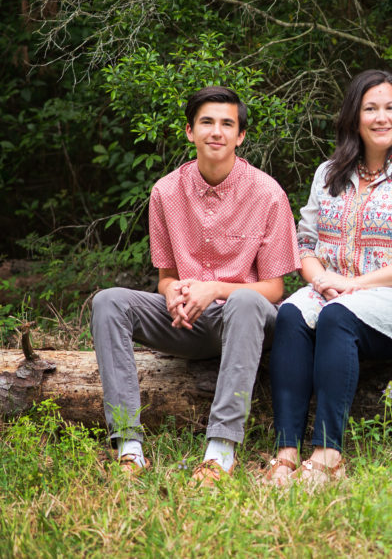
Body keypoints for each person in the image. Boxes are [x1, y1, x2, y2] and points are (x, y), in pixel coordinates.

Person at [91, 86, 300, 486]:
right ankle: (129, 448)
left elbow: (274, 289)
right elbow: (166, 276)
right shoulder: (165, 192)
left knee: (243, 301)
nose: (216, 131)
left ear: (240, 135)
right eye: (206, 122)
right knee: (108, 301)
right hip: (186, 323)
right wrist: (170, 292)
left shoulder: (267, 193)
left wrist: (215, 289)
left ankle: (220, 453)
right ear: (190, 131)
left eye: (227, 124)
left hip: (245, 323)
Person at [264, 69, 392, 485]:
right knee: (291, 315)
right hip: (334, 288)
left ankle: (329, 455)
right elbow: (305, 242)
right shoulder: (330, 173)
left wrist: (352, 286)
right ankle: (286, 453)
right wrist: (320, 280)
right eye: (371, 108)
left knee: (337, 316)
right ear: (354, 116)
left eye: (390, 108)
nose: (381, 117)